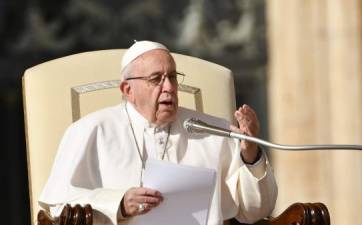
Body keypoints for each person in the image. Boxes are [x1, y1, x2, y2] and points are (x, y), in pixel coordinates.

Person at [39, 40, 277, 225]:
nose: (170, 87)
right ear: (127, 89)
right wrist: (119, 204)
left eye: (172, 77)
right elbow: (59, 208)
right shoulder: (92, 130)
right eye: (156, 79)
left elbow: (255, 211)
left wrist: (250, 153)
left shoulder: (215, 131)